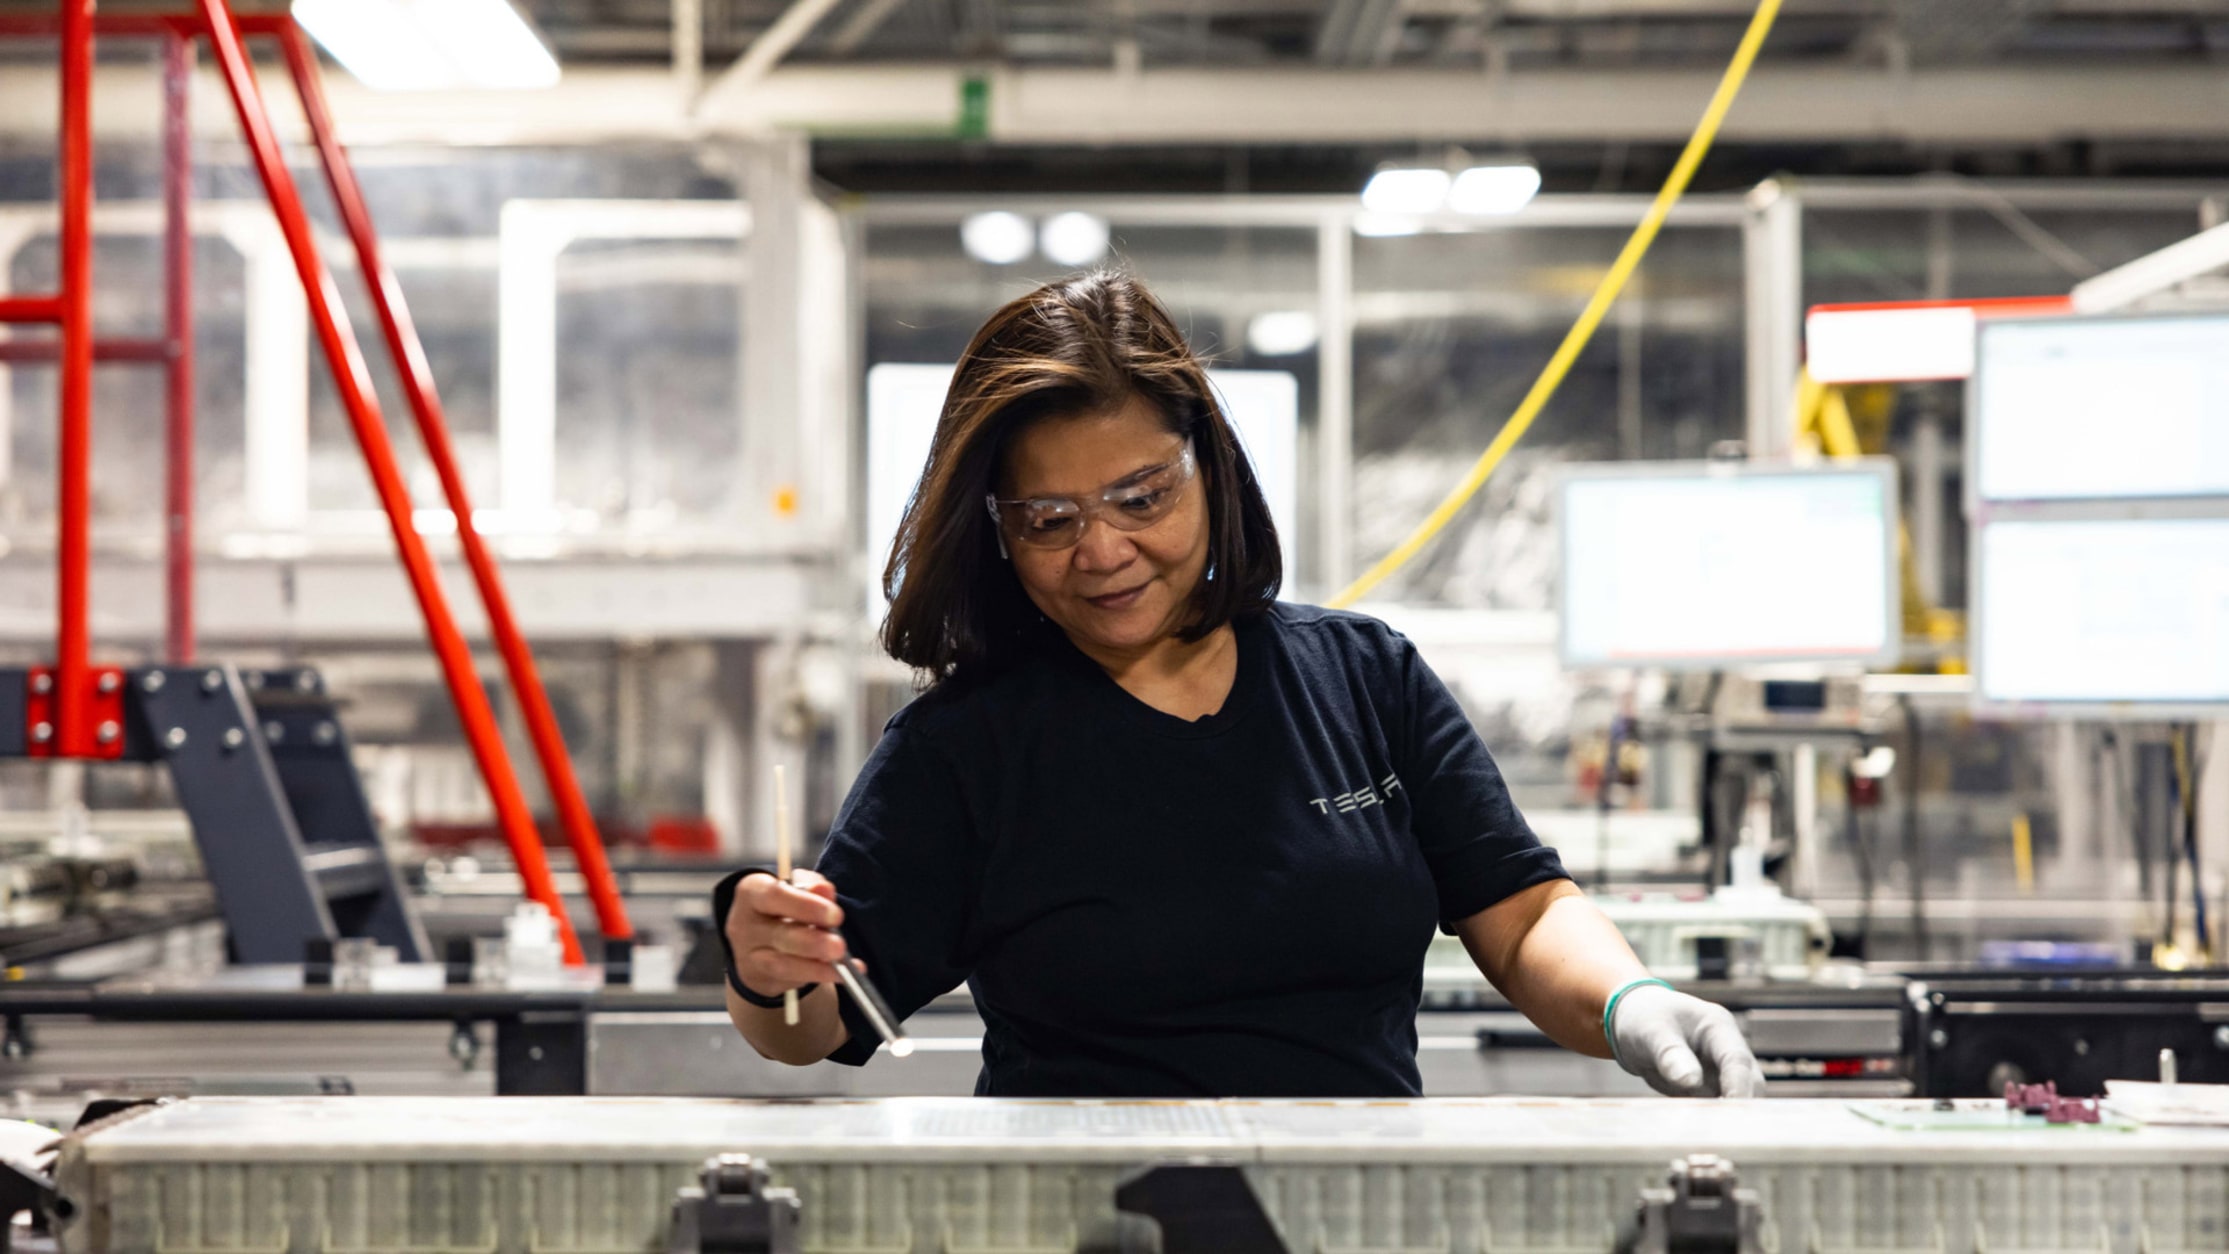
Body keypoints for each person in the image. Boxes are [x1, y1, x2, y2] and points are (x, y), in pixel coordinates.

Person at [715, 270, 1763, 1100]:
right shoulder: (965, 748)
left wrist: (1630, 1002)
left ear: (1208, 469)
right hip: (1087, 1223)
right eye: (1050, 520)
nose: (1104, 551)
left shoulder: (1362, 679)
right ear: (998, 534)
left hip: (1357, 1217)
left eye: (1141, 497)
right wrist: (769, 975)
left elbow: (1524, 916)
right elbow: (822, 1025)